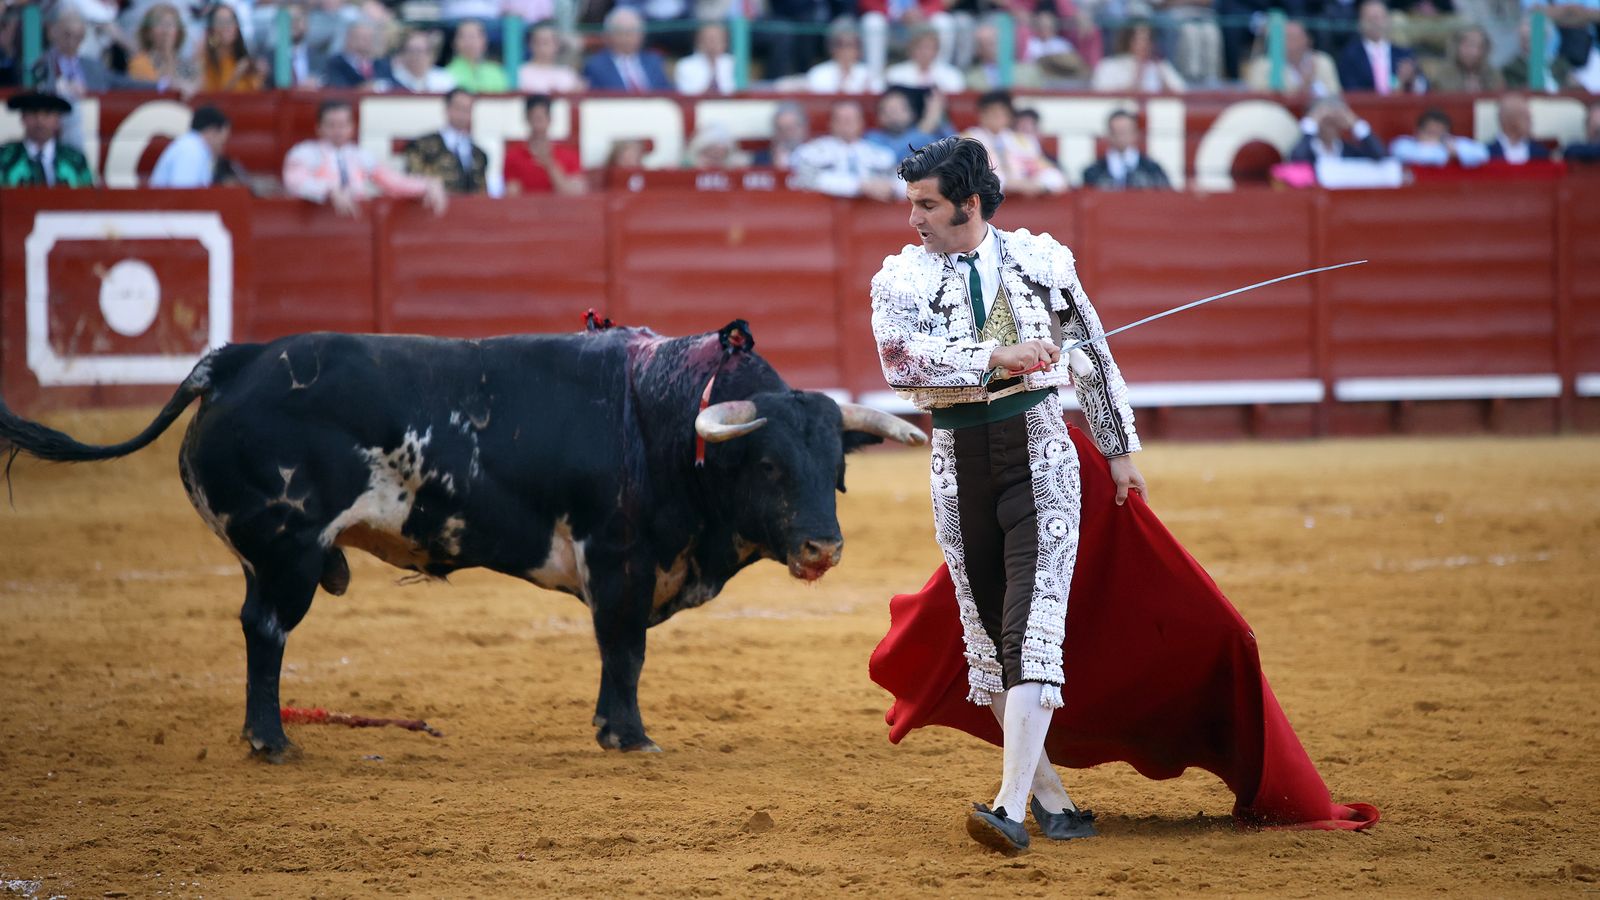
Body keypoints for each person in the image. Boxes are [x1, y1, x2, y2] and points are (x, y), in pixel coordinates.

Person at [869, 135, 1143, 853]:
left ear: (968, 203)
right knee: (987, 639)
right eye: (911, 205)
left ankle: (1009, 807)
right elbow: (901, 363)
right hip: (957, 464)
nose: (914, 220)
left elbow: (1094, 354)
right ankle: (1050, 799)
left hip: (1040, 454)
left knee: (1034, 625)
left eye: (926, 204)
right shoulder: (900, 278)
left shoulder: (1040, 262)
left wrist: (1117, 450)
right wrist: (996, 354)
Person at [283, 99, 448, 217]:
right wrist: (330, 190)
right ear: (319, 128)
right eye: (331, 125)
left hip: (356, 223)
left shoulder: (359, 156)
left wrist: (427, 185)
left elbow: (393, 182)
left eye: (342, 125)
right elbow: (295, 182)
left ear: (352, 128)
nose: (337, 131)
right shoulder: (304, 153)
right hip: (315, 223)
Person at [789, 99, 901, 200]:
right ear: (831, 123)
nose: (847, 124)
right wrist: (858, 186)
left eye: (852, 119)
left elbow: (902, 182)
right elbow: (804, 180)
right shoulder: (811, 151)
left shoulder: (880, 154)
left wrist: (890, 187)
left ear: (861, 122)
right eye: (842, 119)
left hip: (872, 215)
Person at [963, 89, 1066, 195]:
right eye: (993, 112)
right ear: (981, 114)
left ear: (1009, 116)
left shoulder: (1023, 141)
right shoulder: (966, 140)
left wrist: (1036, 185)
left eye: (1002, 113)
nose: (998, 117)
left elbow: (1051, 173)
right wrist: (1007, 184)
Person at [0, 91, 95, 187]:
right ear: (23, 118)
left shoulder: (75, 160)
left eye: (47, 113)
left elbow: (89, 198)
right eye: (33, 113)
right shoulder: (4, 158)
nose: (40, 120)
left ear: (58, 120)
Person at [402, 89, 488, 194]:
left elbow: (482, 192)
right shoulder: (421, 146)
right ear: (447, 109)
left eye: (467, 109)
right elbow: (413, 179)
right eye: (458, 108)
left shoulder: (479, 154)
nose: (463, 114)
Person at [503, 93, 586, 195]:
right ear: (527, 119)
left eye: (541, 119)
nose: (538, 125)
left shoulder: (569, 156)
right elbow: (512, 196)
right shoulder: (513, 157)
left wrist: (550, 165)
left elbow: (575, 195)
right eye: (534, 118)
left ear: (549, 119)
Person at [1336, 0, 1425, 94]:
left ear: (1388, 20)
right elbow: (1350, 90)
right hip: (1365, 107)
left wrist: (1413, 79)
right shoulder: (1350, 56)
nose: (1375, 23)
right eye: (1370, 19)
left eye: (1379, 18)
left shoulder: (1404, 54)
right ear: (1360, 23)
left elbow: (1425, 87)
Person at [1243, 19, 1340, 97]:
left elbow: (1335, 95)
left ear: (1308, 40)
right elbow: (1260, 97)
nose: (1291, 43)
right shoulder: (1262, 66)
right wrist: (1303, 86)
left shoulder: (1323, 61)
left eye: (1295, 37)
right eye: (1287, 38)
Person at [581, 8, 672, 92]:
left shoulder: (654, 61)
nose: (628, 37)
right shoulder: (596, 66)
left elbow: (669, 92)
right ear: (608, 35)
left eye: (633, 31)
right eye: (622, 32)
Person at [1082, 109, 1172, 189]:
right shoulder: (1093, 172)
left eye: (1125, 131)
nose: (1121, 137)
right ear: (1108, 135)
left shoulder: (1152, 170)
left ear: (1135, 134)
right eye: (1116, 132)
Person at [1091, 20, 1186, 92]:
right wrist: (1135, 81)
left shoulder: (1161, 66)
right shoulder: (1110, 65)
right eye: (1139, 40)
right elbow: (1101, 94)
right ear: (1128, 40)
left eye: (1147, 39)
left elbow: (1183, 92)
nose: (1144, 44)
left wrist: (1163, 81)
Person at [125, 2, 199, 94]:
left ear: (178, 32)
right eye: (159, 24)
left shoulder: (186, 64)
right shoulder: (139, 63)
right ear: (148, 33)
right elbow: (146, 90)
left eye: (170, 24)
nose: (166, 31)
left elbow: (196, 88)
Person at [150, 105, 230, 187]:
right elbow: (184, 194)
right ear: (211, 132)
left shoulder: (190, 147)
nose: (222, 148)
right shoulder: (191, 151)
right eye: (222, 142)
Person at [1289, 98, 1387, 162]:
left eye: (1335, 122)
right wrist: (1312, 122)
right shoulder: (1306, 150)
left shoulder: (1350, 151)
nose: (1331, 127)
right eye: (1326, 121)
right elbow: (1296, 160)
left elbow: (1379, 155)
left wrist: (1355, 123)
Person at [865, 85, 942, 162]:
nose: (891, 114)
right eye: (885, 109)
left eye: (897, 109)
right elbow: (889, 158)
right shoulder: (872, 138)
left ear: (913, 113)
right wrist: (924, 129)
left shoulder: (933, 132)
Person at [1389, 108, 1489, 167]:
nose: (1434, 138)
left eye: (1439, 134)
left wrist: (1456, 151)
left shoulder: (1453, 144)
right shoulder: (1404, 144)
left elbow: (1483, 153)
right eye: (1430, 133)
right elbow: (1399, 151)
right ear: (1418, 132)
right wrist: (1443, 150)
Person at [199, 3, 264, 92]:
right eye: (220, 22)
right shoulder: (206, 60)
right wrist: (235, 76)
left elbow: (255, 95)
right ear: (212, 29)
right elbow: (210, 98)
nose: (226, 27)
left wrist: (261, 75)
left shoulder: (244, 60)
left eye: (230, 21)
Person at [806, 19, 883, 93]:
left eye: (851, 45)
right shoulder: (819, 74)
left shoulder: (868, 74)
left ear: (859, 49)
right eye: (840, 45)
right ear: (832, 47)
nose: (846, 50)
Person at [885, 27, 966, 93]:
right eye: (920, 47)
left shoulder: (952, 75)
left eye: (929, 48)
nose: (924, 52)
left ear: (937, 50)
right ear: (910, 49)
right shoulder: (895, 74)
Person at [1425, 24, 1505, 92]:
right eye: (1469, 45)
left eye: (1480, 47)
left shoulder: (1493, 75)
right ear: (1456, 46)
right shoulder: (1441, 75)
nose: (1474, 52)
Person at [376, 28, 456, 93]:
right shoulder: (391, 81)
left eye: (420, 51)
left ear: (431, 55)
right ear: (402, 54)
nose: (415, 56)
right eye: (410, 51)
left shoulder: (445, 80)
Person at [517, 20, 583, 93]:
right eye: (537, 42)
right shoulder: (520, 73)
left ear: (557, 44)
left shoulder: (567, 74)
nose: (541, 47)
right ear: (530, 45)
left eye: (546, 42)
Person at [445, 19, 509, 93]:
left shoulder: (497, 72)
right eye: (464, 36)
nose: (469, 41)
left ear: (484, 41)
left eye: (474, 36)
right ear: (454, 43)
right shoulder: (447, 73)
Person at [1485, 93, 1551, 163]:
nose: (1530, 121)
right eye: (1524, 116)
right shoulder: (1486, 154)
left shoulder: (1541, 154)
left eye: (1529, 116)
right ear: (1507, 119)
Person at [675, 21, 736, 94]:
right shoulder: (685, 65)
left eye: (717, 38)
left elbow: (738, 93)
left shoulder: (734, 63)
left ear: (725, 41)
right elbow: (687, 95)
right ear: (699, 41)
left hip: (729, 105)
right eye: (709, 38)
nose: (713, 42)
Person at [322, 17, 381, 88]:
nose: (366, 42)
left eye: (369, 38)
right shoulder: (335, 64)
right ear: (349, 38)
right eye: (361, 37)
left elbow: (395, 85)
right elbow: (336, 86)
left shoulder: (380, 64)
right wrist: (361, 88)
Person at [753, 100, 810, 168]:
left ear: (802, 129)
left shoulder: (816, 155)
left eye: (790, 129)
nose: (786, 134)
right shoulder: (763, 157)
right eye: (780, 129)